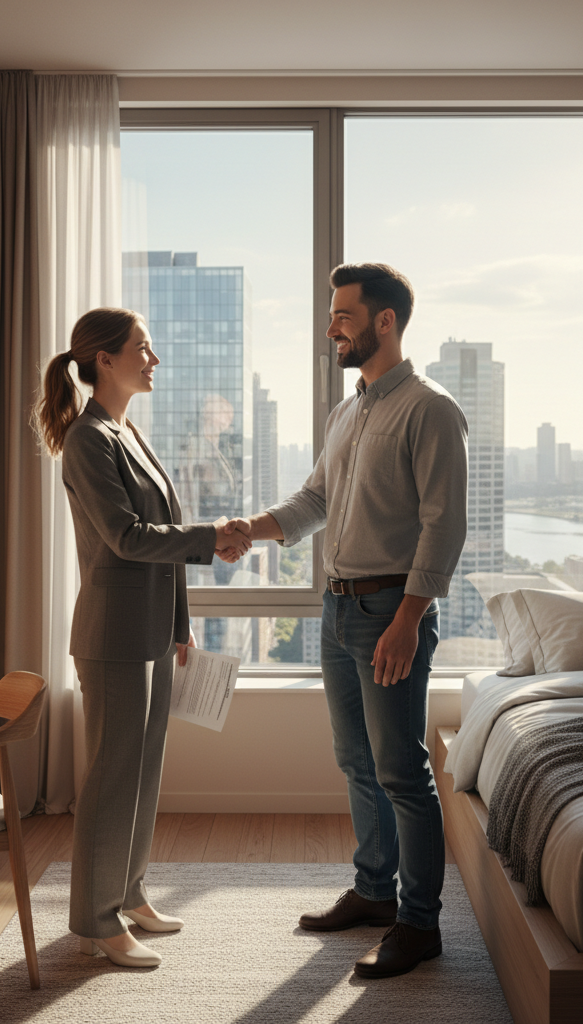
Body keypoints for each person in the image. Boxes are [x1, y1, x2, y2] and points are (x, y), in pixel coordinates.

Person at [225, 263, 468, 978]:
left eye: (343, 315)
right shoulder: (346, 411)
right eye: (332, 315)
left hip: (389, 612)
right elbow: (313, 500)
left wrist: (408, 619)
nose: (331, 326)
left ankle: (420, 924)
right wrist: (252, 527)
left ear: (384, 321)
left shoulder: (429, 409)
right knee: (356, 761)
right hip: (334, 607)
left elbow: (443, 526)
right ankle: (374, 893)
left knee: (402, 770)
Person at [33, 307, 250, 968]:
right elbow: (127, 539)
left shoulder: (128, 432)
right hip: (113, 634)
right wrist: (214, 537)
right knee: (111, 776)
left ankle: (127, 893)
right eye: (142, 348)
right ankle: (95, 920)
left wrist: (180, 625)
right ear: (104, 359)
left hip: (152, 632)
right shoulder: (88, 439)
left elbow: (164, 538)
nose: (153, 359)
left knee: (144, 770)